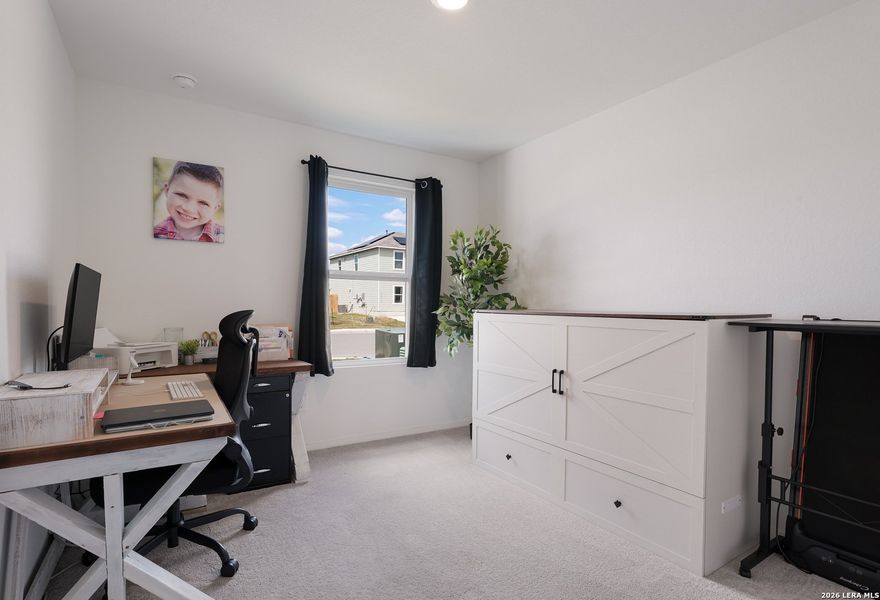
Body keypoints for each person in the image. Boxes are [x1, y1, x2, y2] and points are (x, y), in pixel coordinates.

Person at [153, 161, 225, 243]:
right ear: (167, 190)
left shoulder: (223, 237)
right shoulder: (155, 233)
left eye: (203, 203)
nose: (189, 209)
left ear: (215, 208)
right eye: (181, 195)